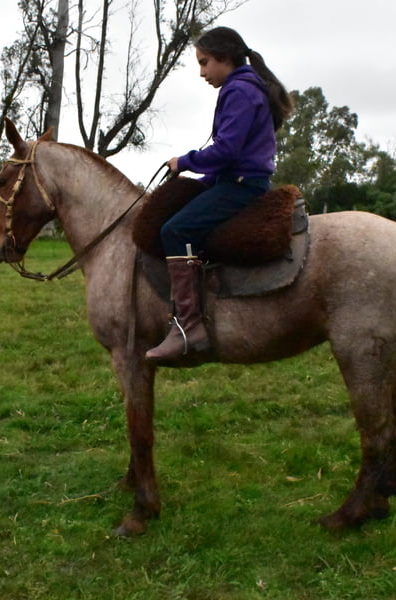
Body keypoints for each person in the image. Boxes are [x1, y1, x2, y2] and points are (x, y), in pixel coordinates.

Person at [145, 26, 293, 362]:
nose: (202, 72)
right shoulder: (245, 87)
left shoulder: (239, 90)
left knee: (175, 230)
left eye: (205, 62)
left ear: (225, 58)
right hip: (234, 179)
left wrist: (184, 162)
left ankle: (188, 327)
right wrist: (202, 177)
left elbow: (227, 150)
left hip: (241, 185)